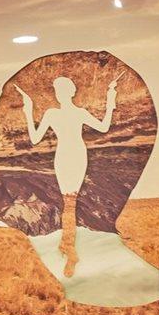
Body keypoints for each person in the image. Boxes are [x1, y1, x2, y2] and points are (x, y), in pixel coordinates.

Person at [20, 72, 117, 276]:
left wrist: (111, 99)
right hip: (63, 156)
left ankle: (72, 249)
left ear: (70, 92)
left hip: (76, 155)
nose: (58, 94)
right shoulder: (52, 114)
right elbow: (35, 138)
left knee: (73, 202)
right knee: (67, 203)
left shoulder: (76, 113)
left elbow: (103, 127)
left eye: (61, 90)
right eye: (57, 90)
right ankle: (70, 248)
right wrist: (28, 110)